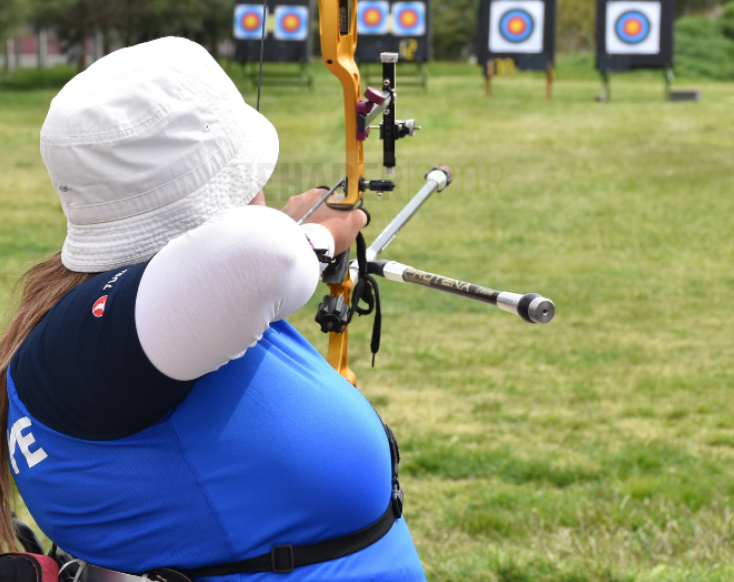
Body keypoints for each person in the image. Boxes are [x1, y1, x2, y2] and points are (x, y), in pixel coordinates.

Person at [0, 38, 427, 581]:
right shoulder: (86, 346)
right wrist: (315, 236)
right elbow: (261, 256)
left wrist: (297, 238)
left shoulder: (136, 324)